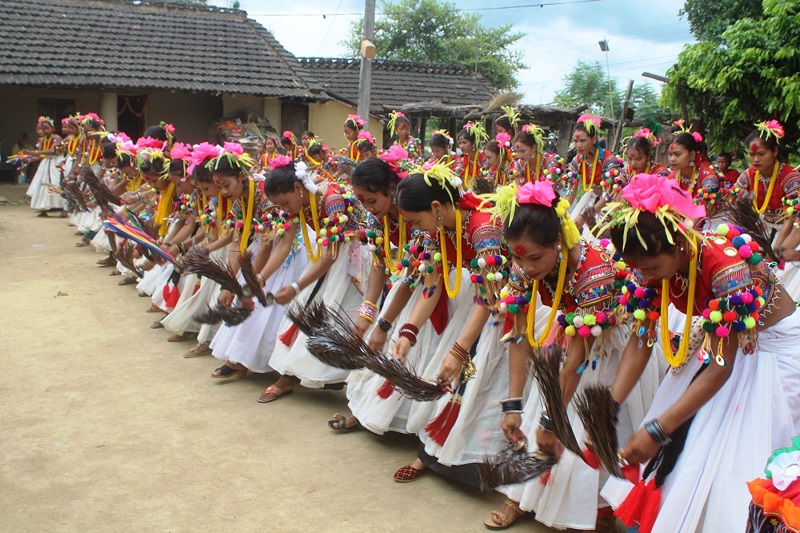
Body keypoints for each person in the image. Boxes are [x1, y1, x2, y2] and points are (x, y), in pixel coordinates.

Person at [600, 173, 800, 532]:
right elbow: (641, 338)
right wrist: (609, 407)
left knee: (727, 462)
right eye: (636, 268)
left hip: (772, 352)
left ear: (679, 243)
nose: (644, 276)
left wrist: (658, 429)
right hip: (728, 344)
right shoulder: (653, 268)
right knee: (690, 449)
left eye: (649, 268)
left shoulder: (725, 267)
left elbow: (721, 368)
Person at [481, 181, 659, 531]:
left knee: (584, 427)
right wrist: (513, 403)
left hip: (603, 349)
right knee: (539, 411)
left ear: (559, 244)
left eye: (535, 258)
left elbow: (578, 359)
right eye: (517, 257)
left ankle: (589, 510)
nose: (526, 267)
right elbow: (518, 336)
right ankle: (521, 498)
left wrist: (552, 424)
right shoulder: (522, 266)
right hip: (567, 334)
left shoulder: (594, 273)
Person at [390, 162, 509, 486]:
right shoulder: (435, 229)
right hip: (483, 301)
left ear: (436, 207)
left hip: (508, 305)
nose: (415, 227)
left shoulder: (483, 230)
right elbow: (432, 286)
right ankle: (431, 453)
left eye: (416, 220)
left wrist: (458, 351)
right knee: (454, 378)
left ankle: (479, 463)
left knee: (483, 381)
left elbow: (491, 299)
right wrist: (408, 333)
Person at [258, 156, 368, 402]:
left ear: (298, 188)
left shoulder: (332, 200)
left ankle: (349, 385)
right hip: (329, 256)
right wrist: (260, 277)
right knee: (304, 313)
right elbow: (285, 244)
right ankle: (288, 377)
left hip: (353, 262)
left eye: (285, 202)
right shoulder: (298, 204)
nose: (284, 209)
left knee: (332, 315)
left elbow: (332, 255)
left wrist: (297, 286)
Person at [566, 114, 626, 230]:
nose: (578, 145)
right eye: (576, 141)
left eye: (583, 140)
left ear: (594, 139)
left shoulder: (608, 160)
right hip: (592, 200)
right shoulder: (577, 160)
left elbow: (610, 195)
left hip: (611, 204)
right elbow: (570, 192)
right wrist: (560, 210)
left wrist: (585, 216)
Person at [666, 129, 720, 214]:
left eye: (677, 154)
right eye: (670, 154)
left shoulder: (707, 175)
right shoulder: (673, 177)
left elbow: (701, 212)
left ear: (692, 154)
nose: (672, 159)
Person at [26, 116, 65, 216]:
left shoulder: (57, 138)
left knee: (56, 183)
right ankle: (44, 207)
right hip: (46, 162)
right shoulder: (41, 140)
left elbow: (53, 151)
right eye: (43, 129)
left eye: (47, 128)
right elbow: (39, 154)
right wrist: (30, 155)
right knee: (43, 183)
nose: (45, 131)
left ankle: (62, 208)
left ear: (53, 128)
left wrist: (37, 152)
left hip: (55, 162)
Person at [456, 122, 487, 190]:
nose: (461, 146)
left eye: (464, 142)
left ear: (473, 143)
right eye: (460, 143)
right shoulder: (462, 160)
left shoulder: (484, 159)